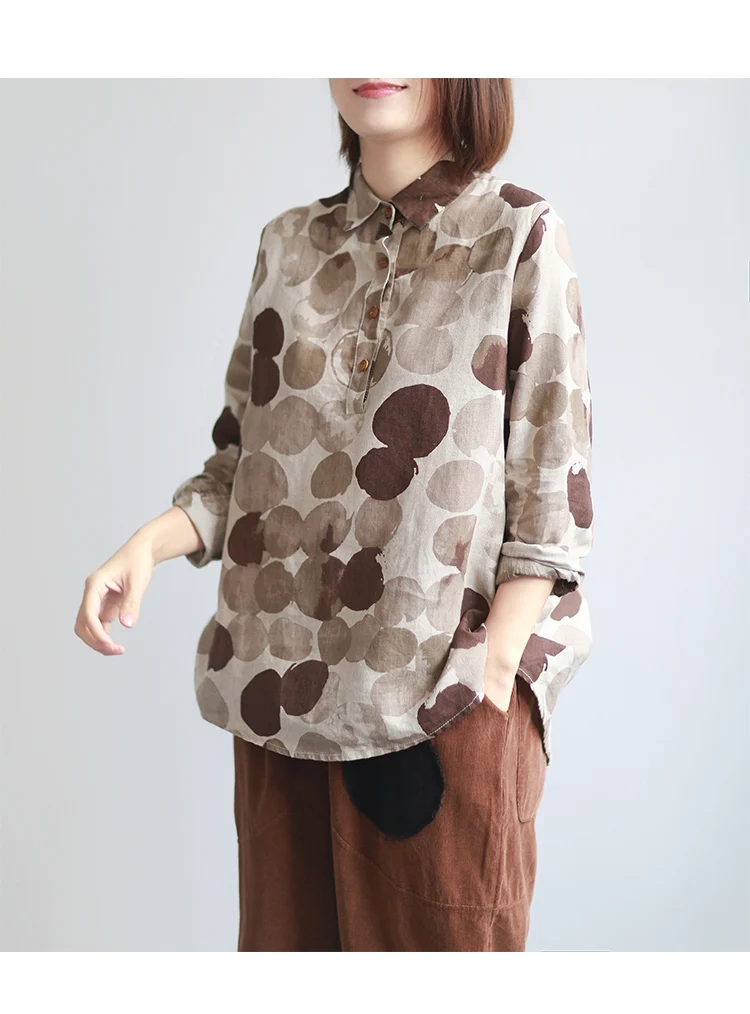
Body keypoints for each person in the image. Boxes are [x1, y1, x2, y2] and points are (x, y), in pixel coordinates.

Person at [74, 78, 594, 952]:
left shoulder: (517, 232)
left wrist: (491, 679)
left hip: (441, 709)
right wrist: (148, 545)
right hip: (278, 705)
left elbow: (553, 486)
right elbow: (243, 462)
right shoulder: (287, 246)